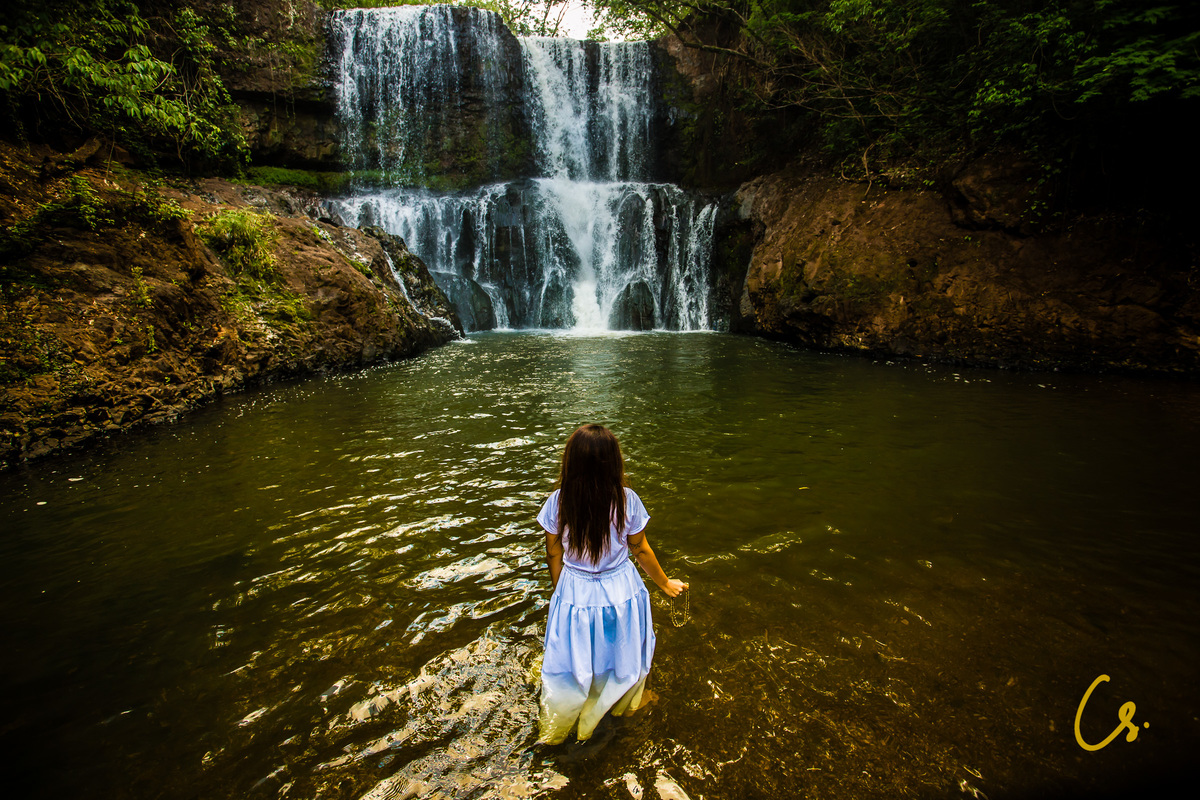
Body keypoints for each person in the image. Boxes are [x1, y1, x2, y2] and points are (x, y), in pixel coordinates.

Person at [536, 423, 688, 744]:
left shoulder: (558, 502)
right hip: (620, 589)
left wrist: (561, 590)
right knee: (620, 653)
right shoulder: (626, 500)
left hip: (575, 587)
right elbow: (640, 549)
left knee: (574, 655)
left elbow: (553, 552)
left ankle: (563, 719)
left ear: (570, 462)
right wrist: (664, 584)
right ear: (615, 462)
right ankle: (620, 703)